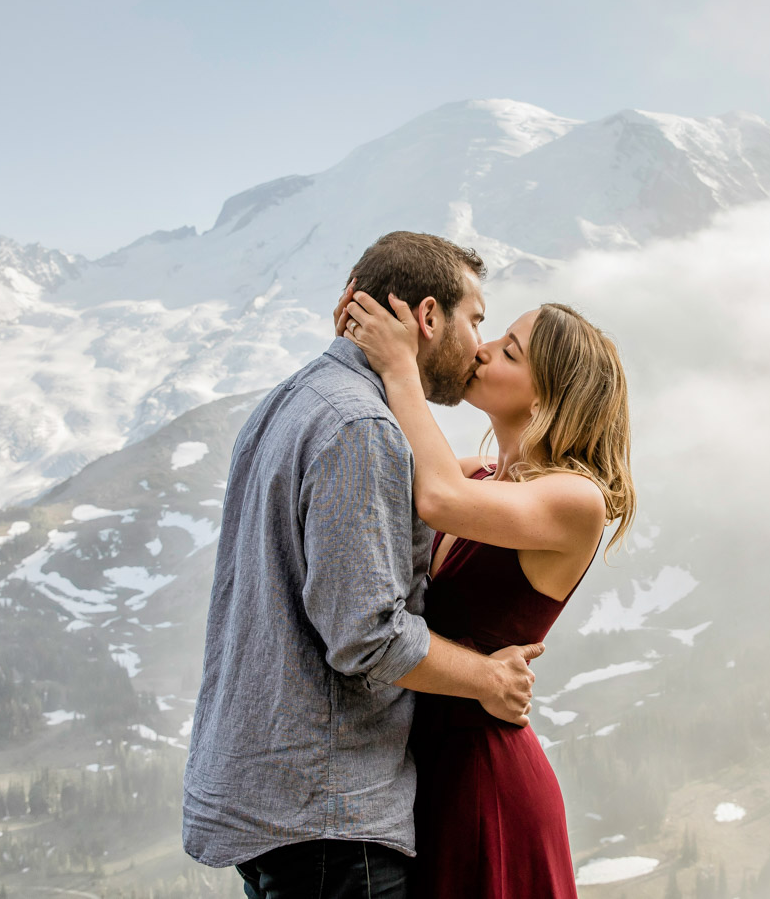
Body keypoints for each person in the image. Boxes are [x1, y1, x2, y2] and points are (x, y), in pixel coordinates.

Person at [183, 231, 547, 899]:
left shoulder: (287, 404)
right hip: (331, 816)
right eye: (476, 320)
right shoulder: (363, 427)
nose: (477, 346)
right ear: (428, 317)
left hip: (279, 807)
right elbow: (367, 632)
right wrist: (488, 676)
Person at [340, 287, 636, 899]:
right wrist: (361, 340)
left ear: (548, 394)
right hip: (426, 765)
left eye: (510, 351)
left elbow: (439, 498)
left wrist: (401, 368)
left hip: (485, 778)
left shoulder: (574, 501)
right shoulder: (480, 477)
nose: (482, 349)